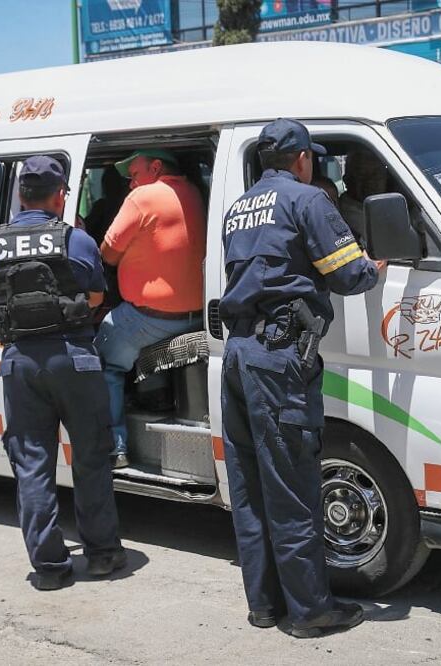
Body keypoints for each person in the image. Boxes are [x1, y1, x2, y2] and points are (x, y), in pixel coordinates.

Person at [219, 119, 385, 638]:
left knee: (250, 486)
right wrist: (375, 266)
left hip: (240, 352)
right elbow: (348, 274)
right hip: (279, 358)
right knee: (292, 483)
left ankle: (265, 606)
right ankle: (311, 612)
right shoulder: (308, 200)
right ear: (302, 159)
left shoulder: (239, 207)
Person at [0, 155, 125, 591]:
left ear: (21, 195)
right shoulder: (76, 240)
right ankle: (100, 555)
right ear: (61, 195)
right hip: (74, 359)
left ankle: (50, 567)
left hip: (20, 362)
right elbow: (97, 295)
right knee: (91, 458)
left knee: (32, 463)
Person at [96, 149, 206, 468]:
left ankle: (115, 448)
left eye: (134, 174)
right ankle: (152, 392)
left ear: (156, 167)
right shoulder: (195, 192)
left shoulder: (143, 197)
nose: (130, 184)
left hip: (149, 319)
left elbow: (107, 254)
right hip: (196, 315)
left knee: (101, 359)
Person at [338, 149, 389, 240]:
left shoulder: (391, 204)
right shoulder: (347, 213)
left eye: (376, 174)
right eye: (362, 175)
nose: (371, 181)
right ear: (347, 180)